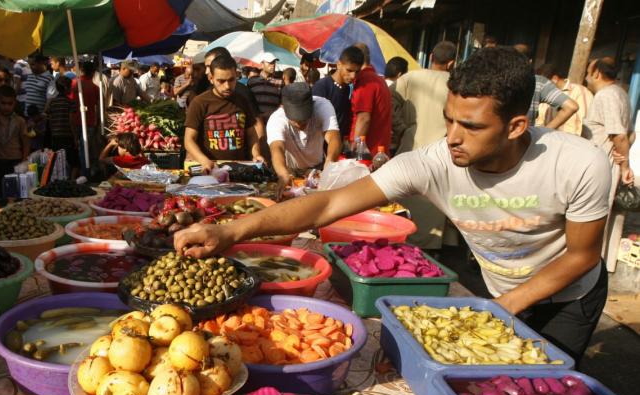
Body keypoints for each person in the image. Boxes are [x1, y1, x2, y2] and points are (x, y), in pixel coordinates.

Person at [176, 47, 612, 363]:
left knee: (550, 384)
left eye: (471, 126)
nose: (453, 137)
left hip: (569, 296)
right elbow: (325, 205)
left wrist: (501, 309)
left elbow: (582, 254)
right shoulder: (432, 162)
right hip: (499, 288)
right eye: (449, 119)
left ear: (517, 126)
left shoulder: (579, 164)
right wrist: (231, 231)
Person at [394, 41, 457, 250]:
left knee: (408, 194)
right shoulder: (456, 83)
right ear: (451, 63)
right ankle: (433, 244)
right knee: (434, 198)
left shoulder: (410, 78)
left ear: (431, 56)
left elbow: (390, 104)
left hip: (411, 144)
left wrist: (402, 127)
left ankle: (403, 236)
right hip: (443, 149)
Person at [584, 56, 634, 274]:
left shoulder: (607, 95)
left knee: (591, 219)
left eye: (588, 71)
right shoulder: (621, 93)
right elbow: (629, 135)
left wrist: (624, 166)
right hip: (608, 162)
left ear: (596, 73)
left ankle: (588, 266)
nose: (586, 76)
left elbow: (620, 136)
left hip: (601, 166)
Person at [184, 54, 263, 173]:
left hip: (239, 169)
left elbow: (252, 134)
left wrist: (256, 154)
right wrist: (203, 160)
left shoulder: (242, 101)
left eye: (231, 80)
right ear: (211, 78)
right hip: (210, 170)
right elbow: (189, 139)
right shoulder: (199, 103)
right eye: (221, 81)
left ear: (236, 75)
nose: (227, 86)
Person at [267, 83, 342, 191]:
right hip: (290, 170)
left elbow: (333, 137)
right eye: (295, 121)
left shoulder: (323, 106)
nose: (300, 125)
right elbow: (277, 148)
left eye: (304, 120)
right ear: (283, 108)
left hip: (317, 168)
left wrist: (330, 162)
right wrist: (283, 174)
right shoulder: (276, 119)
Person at [512, 44, 578, 130]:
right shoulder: (538, 82)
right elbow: (571, 107)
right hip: (524, 138)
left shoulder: (494, 78)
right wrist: (545, 131)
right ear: (530, 61)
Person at [0, 85, 29, 198]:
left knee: (14, 193)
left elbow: (25, 142)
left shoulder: (20, 121)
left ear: (15, 103)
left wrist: (24, 160)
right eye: (3, 103)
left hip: (15, 162)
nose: (6, 107)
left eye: (10, 103)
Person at [312, 46, 361, 146]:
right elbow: (314, 123)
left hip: (338, 146)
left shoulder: (347, 88)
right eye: (349, 70)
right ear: (339, 64)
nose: (353, 76)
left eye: (357, 72)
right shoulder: (322, 87)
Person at [349, 44, 392, 153]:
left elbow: (363, 118)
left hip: (368, 152)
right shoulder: (378, 79)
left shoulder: (366, 81)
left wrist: (355, 147)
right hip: (379, 149)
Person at [536, 64, 593, 137]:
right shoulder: (544, 96)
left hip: (572, 143)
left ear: (554, 79)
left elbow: (585, 123)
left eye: (543, 84)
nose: (541, 87)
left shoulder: (580, 91)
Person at [69, 60, 101, 173]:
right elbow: (98, 106)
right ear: (93, 72)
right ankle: (85, 173)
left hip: (74, 119)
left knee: (78, 148)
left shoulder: (73, 84)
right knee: (85, 149)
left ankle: (81, 172)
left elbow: (70, 103)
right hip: (90, 122)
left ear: (82, 70)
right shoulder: (95, 88)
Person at [46, 76, 78, 176]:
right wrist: (75, 137)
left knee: (58, 162)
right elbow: (71, 121)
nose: (71, 89)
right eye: (70, 87)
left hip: (55, 136)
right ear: (66, 88)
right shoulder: (70, 102)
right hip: (67, 136)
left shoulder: (52, 102)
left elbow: (49, 117)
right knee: (75, 163)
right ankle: (72, 182)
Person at [384, 56, 413, 155]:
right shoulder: (395, 91)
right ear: (400, 75)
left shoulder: (379, 84)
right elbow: (394, 117)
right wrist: (406, 132)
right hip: (391, 143)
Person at [22, 54, 54, 144]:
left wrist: (41, 116)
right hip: (27, 117)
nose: (31, 67)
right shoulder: (29, 76)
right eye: (30, 65)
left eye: (33, 64)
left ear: (41, 63)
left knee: (37, 148)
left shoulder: (50, 78)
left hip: (39, 121)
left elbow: (50, 99)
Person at [247, 56, 282, 120]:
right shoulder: (252, 81)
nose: (273, 65)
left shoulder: (280, 81)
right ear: (262, 65)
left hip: (272, 120)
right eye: (270, 63)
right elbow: (248, 100)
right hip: (255, 119)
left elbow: (281, 102)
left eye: (274, 62)